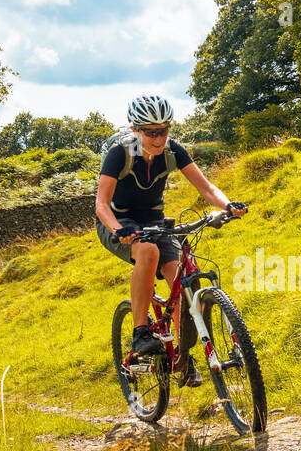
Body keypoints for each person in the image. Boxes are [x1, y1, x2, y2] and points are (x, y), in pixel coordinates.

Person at [95, 94, 246, 388]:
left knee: (182, 277)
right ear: (135, 130)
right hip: (118, 223)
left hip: (155, 223)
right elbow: (101, 204)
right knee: (148, 253)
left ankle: (183, 356)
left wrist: (227, 205)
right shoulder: (119, 154)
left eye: (163, 130)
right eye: (151, 131)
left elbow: (207, 187)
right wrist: (117, 229)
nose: (158, 137)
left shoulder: (173, 152)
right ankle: (140, 332)